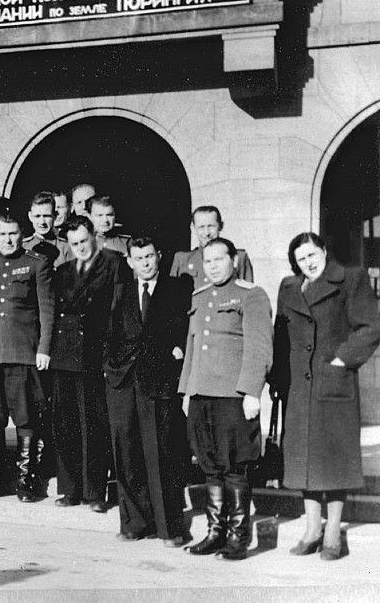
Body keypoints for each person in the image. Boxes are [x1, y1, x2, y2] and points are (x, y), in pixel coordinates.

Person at [271, 233, 380, 561]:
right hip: (299, 386)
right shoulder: (289, 287)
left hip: (333, 382)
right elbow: (280, 335)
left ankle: (333, 531)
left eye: (312, 254)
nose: (308, 262)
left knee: (333, 457)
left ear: (324, 250)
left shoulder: (351, 279)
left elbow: (371, 327)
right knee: (304, 458)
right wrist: (277, 380)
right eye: (301, 258)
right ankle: (312, 528)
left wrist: (341, 360)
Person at [179, 237, 272, 561]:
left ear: (234, 260)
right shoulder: (200, 296)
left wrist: (251, 392)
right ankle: (215, 533)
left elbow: (259, 347)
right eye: (208, 260)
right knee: (210, 467)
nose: (213, 265)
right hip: (202, 394)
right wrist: (188, 390)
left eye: (220, 259)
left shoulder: (251, 294)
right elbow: (192, 347)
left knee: (234, 469)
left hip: (233, 396)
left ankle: (238, 538)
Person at [103, 237, 193, 546]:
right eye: (138, 258)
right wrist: (111, 368)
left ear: (159, 256)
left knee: (162, 454)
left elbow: (185, 329)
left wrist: (178, 353)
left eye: (150, 256)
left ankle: (171, 528)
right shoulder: (120, 292)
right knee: (127, 453)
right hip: (123, 383)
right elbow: (108, 334)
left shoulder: (178, 289)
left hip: (160, 382)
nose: (145, 262)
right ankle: (135, 523)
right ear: (129, 261)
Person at [49, 217, 127, 512]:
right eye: (74, 243)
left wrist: (112, 355)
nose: (80, 247)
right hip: (65, 355)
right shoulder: (62, 271)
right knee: (66, 424)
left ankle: (95, 493)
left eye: (84, 241)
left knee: (95, 425)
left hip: (96, 355)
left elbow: (118, 309)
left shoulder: (114, 265)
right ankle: (70, 490)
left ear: (94, 236)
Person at [0, 215, 54, 503]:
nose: (8, 239)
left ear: (22, 234)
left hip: (23, 352)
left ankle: (26, 478)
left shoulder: (36, 263)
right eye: (3, 234)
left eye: (13, 234)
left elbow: (47, 309)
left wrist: (43, 348)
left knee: (25, 417)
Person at [170, 206, 254, 288]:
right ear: (193, 227)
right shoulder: (182, 260)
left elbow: (248, 294)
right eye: (201, 227)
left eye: (211, 226)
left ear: (221, 226)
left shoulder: (239, 257)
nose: (207, 233)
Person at [24, 191, 72, 267]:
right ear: (30, 216)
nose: (42, 222)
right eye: (37, 216)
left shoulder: (66, 248)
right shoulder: (23, 247)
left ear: (55, 216)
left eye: (46, 216)